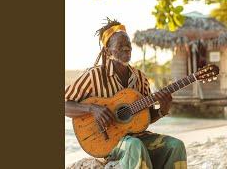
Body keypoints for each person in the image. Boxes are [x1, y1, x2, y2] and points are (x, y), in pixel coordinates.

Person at [65, 18, 187, 169]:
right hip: (108, 143)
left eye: (128, 45)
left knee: (176, 145)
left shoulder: (140, 78)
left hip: (139, 137)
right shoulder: (94, 76)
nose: (126, 49)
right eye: (120, 46)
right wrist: (92, 109)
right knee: (134, 146)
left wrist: (163, 109)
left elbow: (146, 117)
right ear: (108, 51)